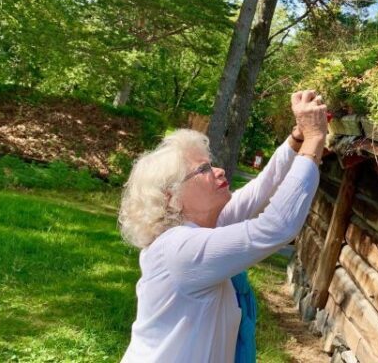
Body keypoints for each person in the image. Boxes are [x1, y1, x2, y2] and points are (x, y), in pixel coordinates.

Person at [118, 90, 327, 362]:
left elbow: (261, 188)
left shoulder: (199, 229)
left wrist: (297, 139)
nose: (218, 171)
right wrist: (314, 140)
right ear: (172, 198)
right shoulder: (180, 248)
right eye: (203, 170)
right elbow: (277, 226)